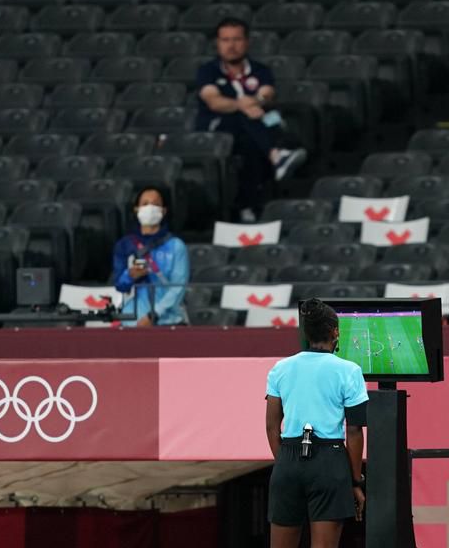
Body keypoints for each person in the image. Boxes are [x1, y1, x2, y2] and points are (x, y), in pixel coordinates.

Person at [240, 299, 368, 548]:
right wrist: (355, 480)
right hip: (328, 459)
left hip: (289, 459)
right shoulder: (349, 370)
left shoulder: (281, 368)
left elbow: (270, 425)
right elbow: (355, 430)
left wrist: (286, 464)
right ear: (334, 333)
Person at [195, 17, 307, 223]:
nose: (231, 46)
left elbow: (267, 94)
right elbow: (214, 101)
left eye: (236, 39)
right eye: (225, 40)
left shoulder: (260, 70)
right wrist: (243, 105)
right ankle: (277, 155)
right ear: (218, 43)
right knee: (245, 117)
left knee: (260, 132)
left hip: (252, 128)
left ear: (246, 42)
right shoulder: (208, 71)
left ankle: (249, 204)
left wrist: (255, 100)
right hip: (219, 125)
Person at [112, 187, 189, 326]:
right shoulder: (125, 245)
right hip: (132, 324)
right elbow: (119, 285)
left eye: (156, 204)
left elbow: (178, 287)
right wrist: (130, 275)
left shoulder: (176, 245)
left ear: (164, 211)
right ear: (136, 209)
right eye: (145, 204)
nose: (150, 208)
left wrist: (153, 315)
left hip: (167, 323)